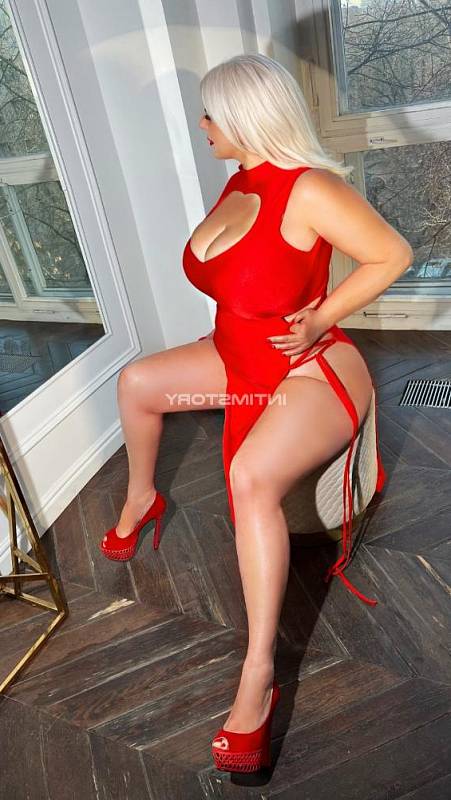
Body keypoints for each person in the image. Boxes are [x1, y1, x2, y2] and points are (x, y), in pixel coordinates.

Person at [99, 54, 413, 773]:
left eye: (211, 112)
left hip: (308, 366)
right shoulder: (239, 178)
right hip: (238, 359)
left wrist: (319, 317)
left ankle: (258, 672)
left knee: (248, 479)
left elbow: (391, 254)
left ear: (244, 117)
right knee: (138, 382)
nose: (202, 123)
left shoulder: (310, 188)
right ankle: (142, 497)